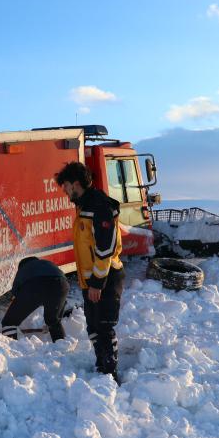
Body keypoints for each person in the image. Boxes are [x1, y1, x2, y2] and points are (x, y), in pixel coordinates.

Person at [55, 162, 125, 381]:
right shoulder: (84, 205)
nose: (64, 191)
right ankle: (100, 367)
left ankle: (110, 375)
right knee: (93, 327)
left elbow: (105, 249)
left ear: (76, 184)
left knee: (104, 327)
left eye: (66, 186)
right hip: (91, 281)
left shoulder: (100, 207)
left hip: (106, 278)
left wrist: (97, 283)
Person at [1, 256, 70, 342]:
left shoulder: (24, 269)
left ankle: (9, 349)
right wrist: (55, 317)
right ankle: (61, 347)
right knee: (53, 321)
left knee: (9, 322)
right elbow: (61, 300)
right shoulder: (47, 263)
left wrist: (13, 314)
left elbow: (16, 293)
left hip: (35, 284)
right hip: (62, 284)